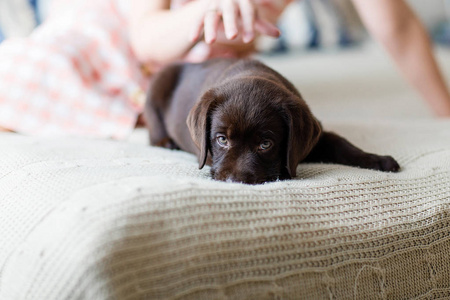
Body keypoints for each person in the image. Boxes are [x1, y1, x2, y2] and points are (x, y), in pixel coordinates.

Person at [0, 0, 449, 138]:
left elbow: (399, 27)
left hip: (199, 69)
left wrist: (444, 111)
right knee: (21, 72)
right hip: (121, 40)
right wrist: (199, 14)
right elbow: (145, 34)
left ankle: (137, 109)